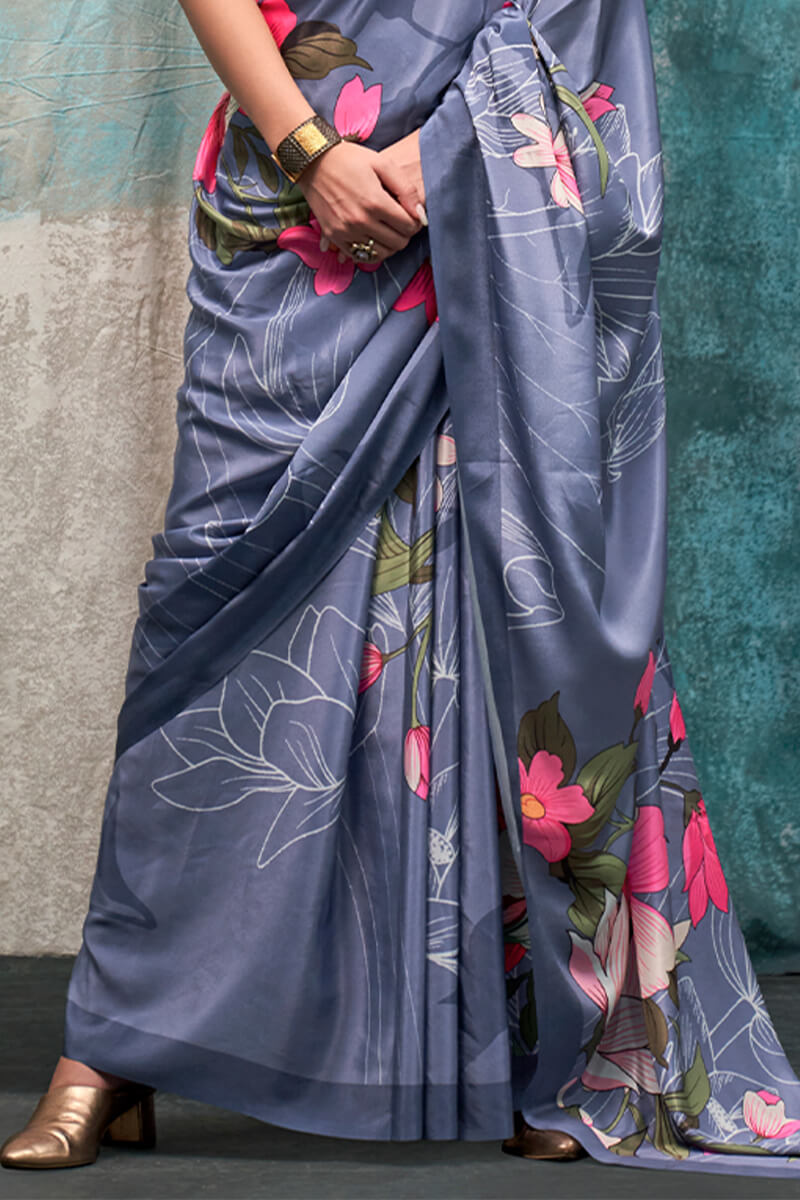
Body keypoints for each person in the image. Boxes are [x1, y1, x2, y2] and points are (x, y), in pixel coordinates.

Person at [3, 0, 799, 1178]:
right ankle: (113, 1048)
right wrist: (311, 154)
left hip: (484, 181)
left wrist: (452, 154)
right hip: (285, 206)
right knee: (216, 620)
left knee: (497, 604)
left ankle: (546, 1041)